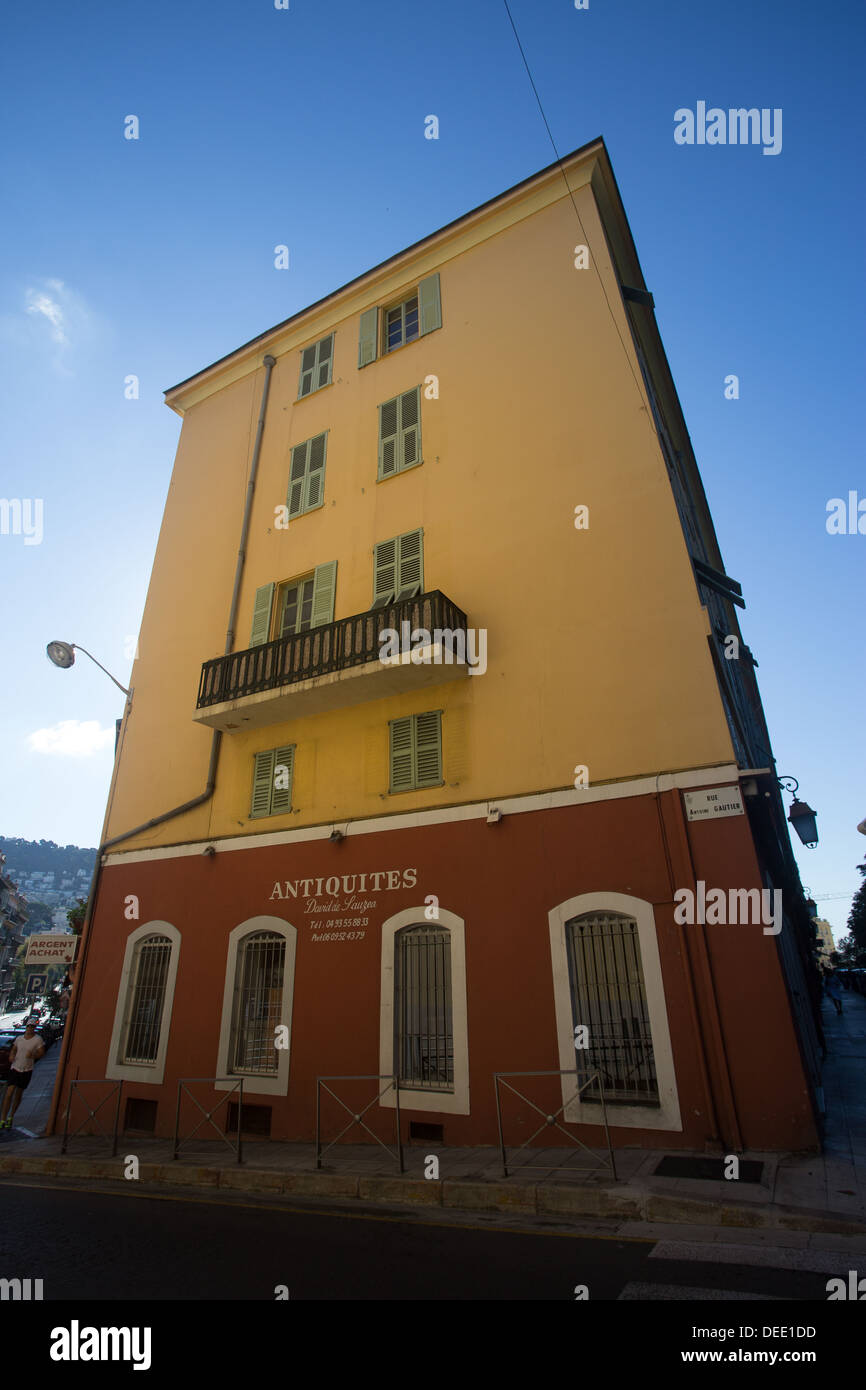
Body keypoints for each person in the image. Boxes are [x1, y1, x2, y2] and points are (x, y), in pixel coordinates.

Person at [0, 1018, 45, 1129]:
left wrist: (33, 1055)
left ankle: (11, 1116)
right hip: (15, 1068)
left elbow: (41, 1053)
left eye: (32, 1027)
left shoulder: (37, 1040)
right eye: (29, 1026)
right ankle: (3, 1119)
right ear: (26, 1027)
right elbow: (14, 1049)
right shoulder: (19, 1039)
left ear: (34, 1028)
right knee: (9, 1093)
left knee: (18, 1094)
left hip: (26, 1070)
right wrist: (11, 1055)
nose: (30, 1028)